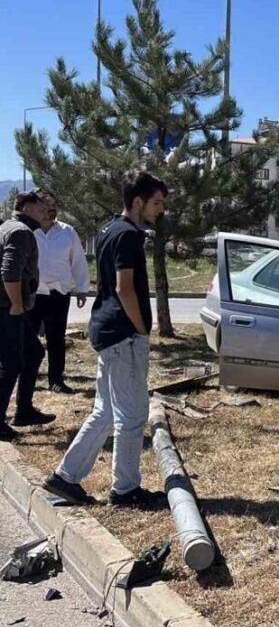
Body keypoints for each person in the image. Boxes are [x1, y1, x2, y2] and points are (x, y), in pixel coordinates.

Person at [43, 171, 168, 507]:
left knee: (106, 411)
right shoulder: (128, 235)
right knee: (131, 416)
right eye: (157, 203)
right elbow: (124, 288)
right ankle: (126, 490)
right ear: (138, 201)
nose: (161, 210)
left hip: (106, 331)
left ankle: (65, 477)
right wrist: (142, 328)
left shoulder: (108, 229)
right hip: (123, 335)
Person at [0, 192, 56, 441]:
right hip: (7, 307)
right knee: (11, 364)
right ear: (26, 207)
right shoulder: (21, 231)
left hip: (10, 307)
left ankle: (24, 411)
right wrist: (15, 303)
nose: (45, 210)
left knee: (34, 352)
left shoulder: (8, 227)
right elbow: (9, 271)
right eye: (40, 206)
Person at [30, 189, 91, 394]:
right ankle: (26, 379)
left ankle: (56, 380)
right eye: (45, 205)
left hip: (59, 293)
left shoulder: (67, 232)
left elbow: (78, 262)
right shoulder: (28, 231)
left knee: (56, 339)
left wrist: (82, 289)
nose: (50, 209)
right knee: (27, 340)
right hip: (32, 294)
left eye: (53, 206)